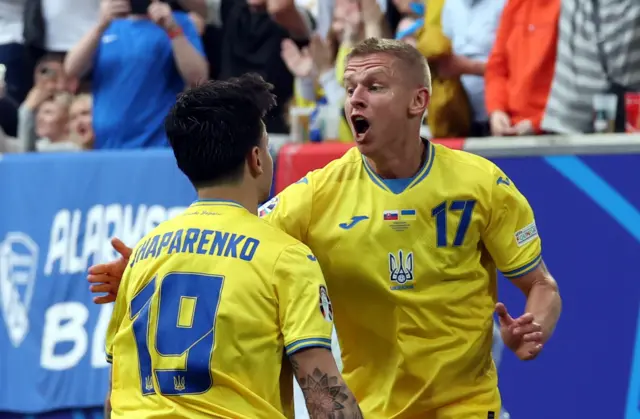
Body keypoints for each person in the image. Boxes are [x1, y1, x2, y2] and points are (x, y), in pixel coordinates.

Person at [89, 38, 562, 418]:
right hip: (369, 409)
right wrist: (149, 267)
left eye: (374, 86)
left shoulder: (482, 184)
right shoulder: (317, 194)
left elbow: (540, 285)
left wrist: (534, 326)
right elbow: (234, 235)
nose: (355, 97)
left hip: (467, 408)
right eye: (350, 86)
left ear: (419, 101)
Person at [101, 74, 362, 419]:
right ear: (256, 158)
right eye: (267, 147)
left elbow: (115, 393)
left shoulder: (143, 254)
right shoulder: (285, 257)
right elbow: (324, 396)